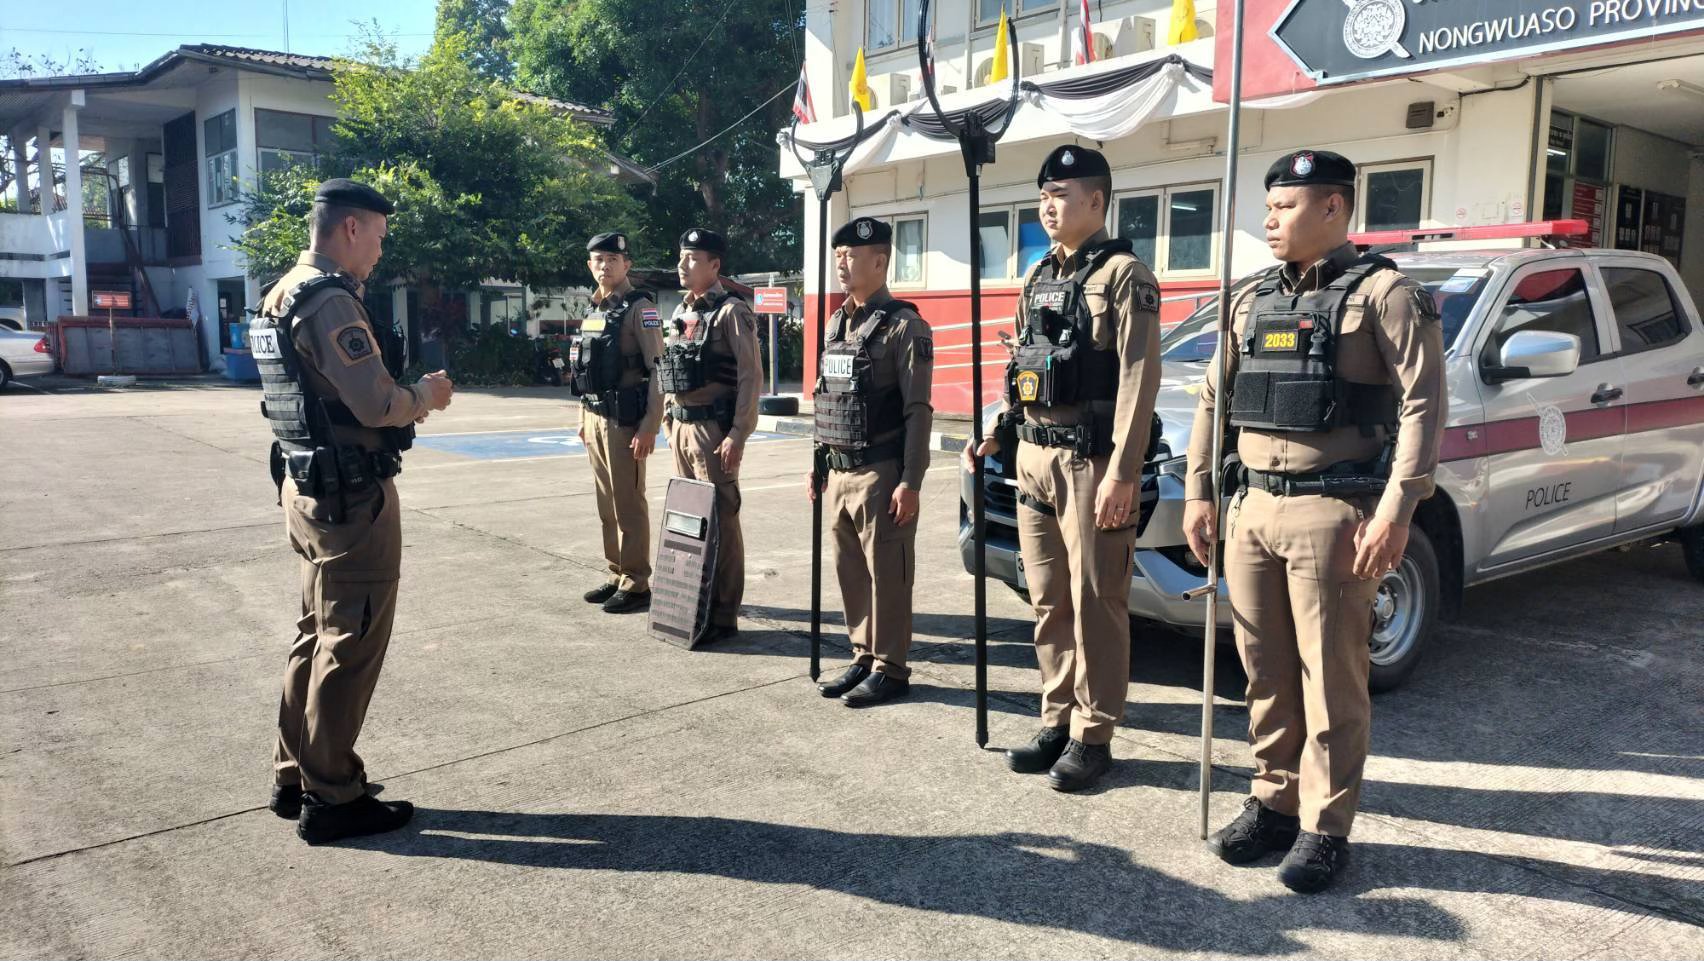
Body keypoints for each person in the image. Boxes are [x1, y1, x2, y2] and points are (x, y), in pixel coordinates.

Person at [1182, 149, 1445, 892]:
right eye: (1267, 207)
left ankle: (1325, 826)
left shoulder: (1386, 294)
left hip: (1334, 511)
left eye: (1285, 206)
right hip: (1253, 507)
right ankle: (1274, 802)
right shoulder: (1251, 299)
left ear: (1333, 207)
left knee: (1330, 677)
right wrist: (1200, 492)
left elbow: (1425, 404)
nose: (1269, 220)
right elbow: (1214, 399)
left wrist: (1398, 507)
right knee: (1263, 670)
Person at [251, 178, 455, 845]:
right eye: (378, 236)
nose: (379, 251)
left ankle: (294, 774)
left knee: (314, 631)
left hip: (307, 487)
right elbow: (377, 404)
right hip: (349, 498)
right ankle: (333, 794)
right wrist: (426, 394)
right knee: (350, 638)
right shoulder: (330, 300)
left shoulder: (281, 293)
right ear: (349, 228)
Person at [963, 145, 1162, 791]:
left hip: (1090, 462)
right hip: (1035, 458)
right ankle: (1057, 717)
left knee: (1096, 602)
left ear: (1096, 201)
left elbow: (1139, 379)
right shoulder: (1038, 274)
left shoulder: (1125, 276)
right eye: (1044, 195)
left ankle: (1094, 733)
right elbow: (1023, 361)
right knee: (1048, 599)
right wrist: (997, 429)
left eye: (1062, 195)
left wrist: (1123, 472)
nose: (1048, 206)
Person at [808, 217, 935, 707]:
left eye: (852, 256)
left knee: (888, 574)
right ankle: (863, 655)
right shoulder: (837, 323)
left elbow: (918, 410)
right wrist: (819, 460)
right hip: (840, 468)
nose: (842, 263)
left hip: (881, 471)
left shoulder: (905, 325)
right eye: (838, 255)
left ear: (880, 261)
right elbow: (828, 397)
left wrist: (911, 481)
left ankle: (891, 667)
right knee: (851, 573)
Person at [656, 228, 762, 643]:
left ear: (714, 265)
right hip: (682, 428)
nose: (683, 265)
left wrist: (738, 433)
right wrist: (668, 422)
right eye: (681, 257)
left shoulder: (732, 311)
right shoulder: (682, 310)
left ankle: (722, 613)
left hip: (712, 432)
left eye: (693, 259)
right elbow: (671, 368)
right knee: (689, 522)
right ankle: (694, 605)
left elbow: (751, 377)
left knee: (722, 520)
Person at [574, 231, 665, 614]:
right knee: (606, 503)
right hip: (595, 417)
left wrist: (650, 426)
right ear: (590, 264)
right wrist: (583, 416)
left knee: (628, 502)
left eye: (613, 259)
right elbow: (585, 367)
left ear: (627, 264)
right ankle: (617, 572)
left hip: (625, 422)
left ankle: (637, 581)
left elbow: (659, 370)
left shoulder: (640, 308)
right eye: (599, 259)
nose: (605, 265)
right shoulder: (595, 309)